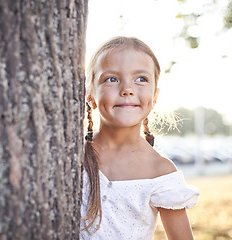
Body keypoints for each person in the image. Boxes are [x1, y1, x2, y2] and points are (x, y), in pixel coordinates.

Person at [81, 36, 200, 240]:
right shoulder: (72, 157)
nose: (127, 89)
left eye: (141, 79)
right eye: (111, 78)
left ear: (154, 97)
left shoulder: (160, 171)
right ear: (90, 95)